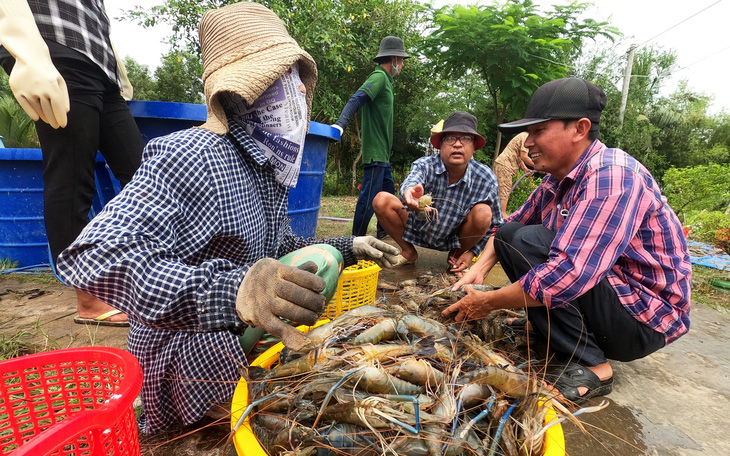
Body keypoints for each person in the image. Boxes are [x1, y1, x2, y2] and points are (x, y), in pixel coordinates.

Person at [56, 2, 400, 433]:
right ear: (238, 93)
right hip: (184, 347)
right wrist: (233, 288)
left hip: (236, 331)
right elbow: (93, 256)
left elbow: (278, 249)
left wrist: (350, 246)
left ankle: (249, 384)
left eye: (295, 79)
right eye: (278, 79)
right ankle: (205, 410)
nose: (295, 93)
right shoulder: (189, 155)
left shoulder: (267, 167)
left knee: (323, 260)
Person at [443, 78, 692, 404]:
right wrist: (479, 268)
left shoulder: (611, 176)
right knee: (510, 236)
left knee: (532, 242)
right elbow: (512, 222)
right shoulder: (559, 177)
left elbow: (568, 275)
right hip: (612, 297)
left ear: (579, 129)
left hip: (643, 319)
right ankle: (553, 330)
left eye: (538, 131)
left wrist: (487, 302)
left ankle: (594, 365)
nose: (527, 142)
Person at [0, 0, 144, 326]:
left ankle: (145, 271)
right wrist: (26, 51)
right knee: (72, 174)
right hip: (54, 49)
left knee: (144, 175)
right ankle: (89, 297)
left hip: (101, 66)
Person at [373, 111, 502, 271]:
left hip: (454, 236)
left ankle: (456, 256)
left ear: (474, 146)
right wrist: (410, 193)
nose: (457, 144)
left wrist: (472, 253)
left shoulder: (485, 177)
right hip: (417, 225)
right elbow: (412, 182)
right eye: (450, 138)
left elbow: (496, 224)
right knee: (381, 199)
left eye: (466, 138)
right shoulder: (425, 165)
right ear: (440, 144)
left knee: (484, 213)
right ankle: (408, 252)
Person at [332, 36, 409, 237]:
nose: (401, 65)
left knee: (388, 197)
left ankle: (383, 234)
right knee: (368, 201)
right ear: (393, 59)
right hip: (375, 154)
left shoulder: (388, 82)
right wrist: (341, 124)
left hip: (383, 155)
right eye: (400, 61)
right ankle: (355, 240)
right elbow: (356, 99)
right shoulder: (379, 77)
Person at [493, 131, 535, 218]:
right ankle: (502, 215)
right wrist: (537, 165)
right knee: (504, 190)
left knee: (498, 189)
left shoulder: (522, 135)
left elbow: (519, 157)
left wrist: (524, 169)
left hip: (502, 163)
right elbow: (524, 156)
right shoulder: (526, 137)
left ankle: (496, 214)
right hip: (505, 165)